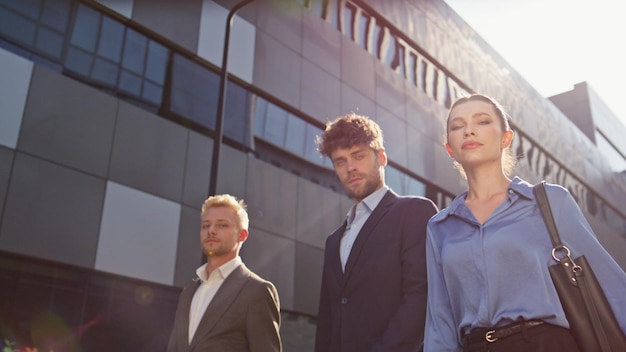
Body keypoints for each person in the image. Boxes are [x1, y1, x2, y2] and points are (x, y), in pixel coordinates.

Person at [424, 93, 626, 352]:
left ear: (505, 139)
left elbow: (610, 284)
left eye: (482, 121)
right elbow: (440, 322)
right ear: (450, 148)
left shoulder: (550, 201)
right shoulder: (440, 227)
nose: (469, 131)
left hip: (546, 344)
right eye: (457, 126)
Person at [314, 113, 438, 352]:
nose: (350, 167)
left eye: (358, 156)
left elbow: (420, 298)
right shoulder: (333, 241)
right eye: (340, 161)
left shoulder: (414, 211)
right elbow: (327, 321)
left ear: (381, 157)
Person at [167, 194, 282, 352]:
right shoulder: (188, 293)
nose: (211, 230)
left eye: (222, 225)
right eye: (206, 225)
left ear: (242, 235)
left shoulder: (258, 292)